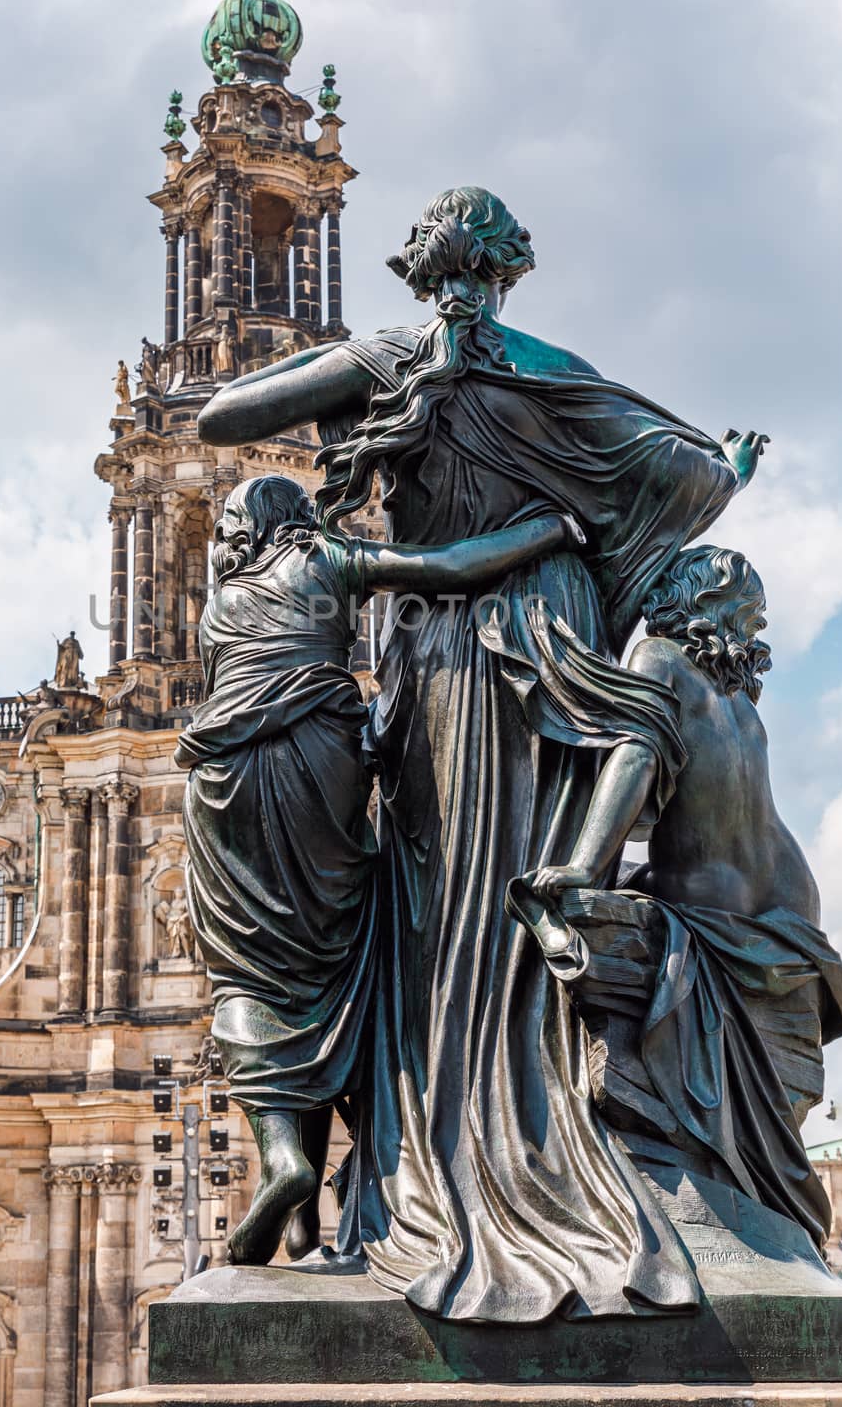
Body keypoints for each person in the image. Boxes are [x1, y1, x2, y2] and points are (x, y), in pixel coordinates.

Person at [196, 186, 767, 1321]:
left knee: (438, 906)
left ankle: (432, 1178)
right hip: (549, 648)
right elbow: (689, 479)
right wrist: (718, 478)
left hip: (443, 654)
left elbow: (223, 417)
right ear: (509, 270)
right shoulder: (552, 362)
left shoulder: (393, 354)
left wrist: (376, 363)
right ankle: (565, 1150)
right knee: (519, 900)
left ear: (418, 270)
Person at [176, 473, 585, 1268]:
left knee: (247, 977)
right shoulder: (325, 558)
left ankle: (285, 1161)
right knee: (334, 960)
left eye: (229, 521)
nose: (224, 533)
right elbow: (450, 566)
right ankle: (307, 1204)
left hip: (221, 788)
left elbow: (226, 688)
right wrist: (549, 531)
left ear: (244, 529)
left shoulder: (216, 608)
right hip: (320, 765)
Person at [525, 546, 842, 1248]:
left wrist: (582, 865)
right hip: (792, 916)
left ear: (679, 596)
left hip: (716, 913)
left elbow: (637, 756)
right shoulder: (738, 695)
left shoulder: (660, 659)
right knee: (768, 1123)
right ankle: (765, 1238)